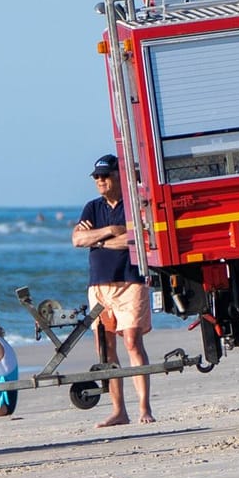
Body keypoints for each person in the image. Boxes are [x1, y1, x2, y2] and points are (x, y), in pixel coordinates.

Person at [72, 154, 154, 426]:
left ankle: (144, 408)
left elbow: (136, 238)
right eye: (97, 176)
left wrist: (98, 240)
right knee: (106, 349)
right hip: (98, 286)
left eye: (105, 175)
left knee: (132, 341)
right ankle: (119, 410)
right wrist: (109, 231)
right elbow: (77, 239)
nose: (100, 181)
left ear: (120, 176)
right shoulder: (92, 208)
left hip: (130, 282)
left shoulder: (134, 204)